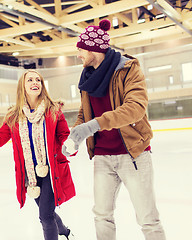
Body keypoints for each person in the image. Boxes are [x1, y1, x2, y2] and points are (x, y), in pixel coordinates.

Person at [63, 19, 166, 240]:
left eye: (81, 49)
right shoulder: (87, 77)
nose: (78, 54)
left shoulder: (128, 69)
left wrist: (92, 126)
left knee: (147, 218)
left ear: (93, 48)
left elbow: (135, 108)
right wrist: (76, 136)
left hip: (132, 154)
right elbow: (85, 113)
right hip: (102, 156)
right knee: (102, 216)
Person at [0, 70, 76, 240]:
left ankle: (62, 233)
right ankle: (65, 232)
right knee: (47, 211)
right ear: (22, 86)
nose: (35, 82)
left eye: (38, 80)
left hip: (51, 171)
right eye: (30, 80)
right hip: (30, 175)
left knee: (45, 216)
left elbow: (64, 137)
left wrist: (71, 145)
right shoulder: (14, 115)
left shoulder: (53, 111)